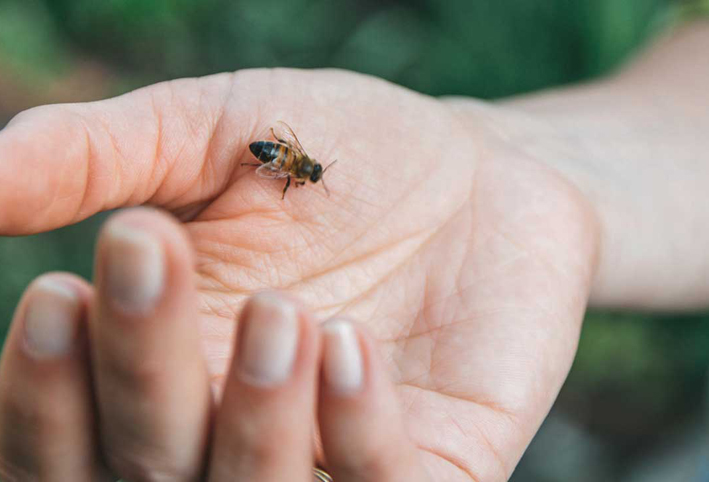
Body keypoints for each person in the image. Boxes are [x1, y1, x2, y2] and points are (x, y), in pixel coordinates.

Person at [0, 19, 706, 482]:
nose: (302, 176)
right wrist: (519, 164)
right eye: (304, 173)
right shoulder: (291, 167)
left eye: (300, 173)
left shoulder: (293, 166)